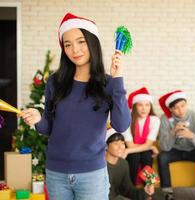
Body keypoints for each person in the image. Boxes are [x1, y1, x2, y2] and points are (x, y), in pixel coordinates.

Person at [20, 12, 130, 200]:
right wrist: (39, 119)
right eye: (68, 45)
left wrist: (118, 78)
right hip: (56, 174)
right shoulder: (55, 82)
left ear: (92, 43)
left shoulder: (108, 83)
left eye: (81, 42)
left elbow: (121, 125)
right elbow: (49, 128)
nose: (74, 50)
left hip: (92, 176)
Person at [157, 90, 195, 200]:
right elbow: (164, 147)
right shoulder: (164, 119)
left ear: (186, 104)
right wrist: (173, 132)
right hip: (175, 150)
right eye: (176, 108)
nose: (181, 110)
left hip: (193, 150)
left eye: (183, 105)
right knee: (162, 157)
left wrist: (191, 135)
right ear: (171, 109)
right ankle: (167, 193)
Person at [106, 131, 164, 200]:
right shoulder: (101, 168)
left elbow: (128, 190)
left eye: (122, 143)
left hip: (119, 197)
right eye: (115, 143)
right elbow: (108, 196)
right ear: (106, 146)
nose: (120, 147)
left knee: (157, 195)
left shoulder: (123, 163)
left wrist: (144, 192)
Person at [124, 87, 160, 184]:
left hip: (140, 151)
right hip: (134, 152)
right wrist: (149, 146)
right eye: (140, 105)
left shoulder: (155, 120)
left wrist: (127, 150)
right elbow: (131, 145)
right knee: (134, 156)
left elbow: (131, 148)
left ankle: (149, 187)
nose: (144, 109)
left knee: (146, 156)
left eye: (147, 105)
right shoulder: (128, 120)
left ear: (150, 106)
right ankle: (131, 188)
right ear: (135, 106)